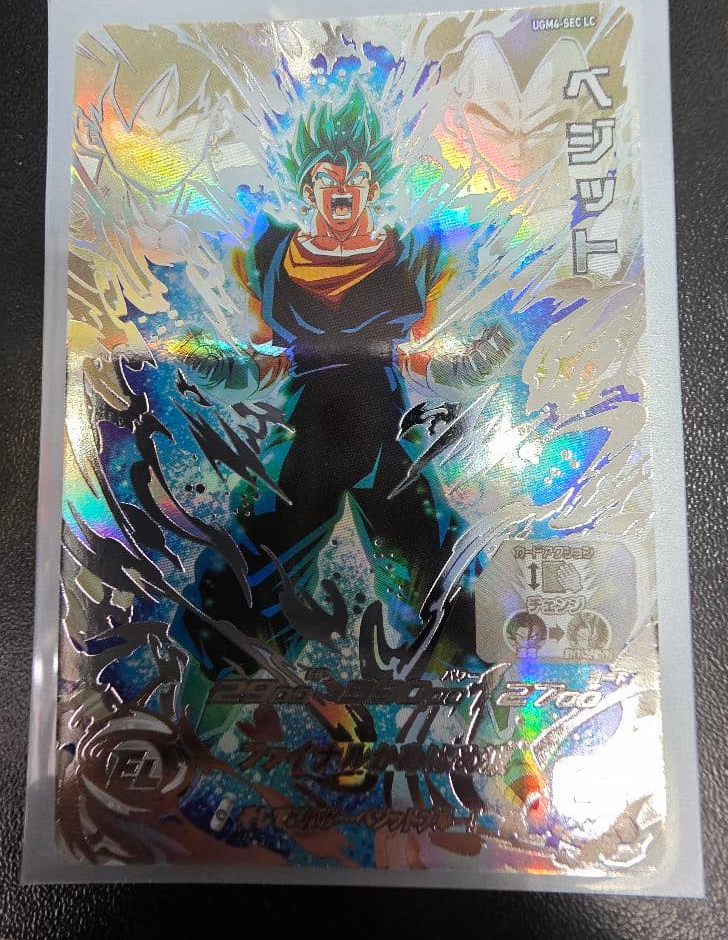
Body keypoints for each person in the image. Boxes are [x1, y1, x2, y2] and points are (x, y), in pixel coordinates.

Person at [174, 88, 509, 677]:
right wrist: (212, 368)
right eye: (327, 176)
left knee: (432, 560)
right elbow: (264, 363)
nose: (342, 187)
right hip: (306, 441)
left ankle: (462, 674)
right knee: (257, 559)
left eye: (355, 176)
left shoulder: (414, 256)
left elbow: (421, 359)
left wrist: (474, 363)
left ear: (373, 188)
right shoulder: (270, 255)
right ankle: (223, 677)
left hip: (383, 438)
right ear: (308, 189)